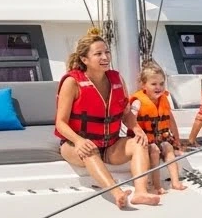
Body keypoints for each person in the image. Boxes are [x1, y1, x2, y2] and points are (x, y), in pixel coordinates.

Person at [54, 29, 160, 208]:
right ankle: (117, 193)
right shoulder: (72, 82)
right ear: (84, 59)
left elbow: (125, 113)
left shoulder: (116, 78)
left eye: (107, 52)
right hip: (75, 145)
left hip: (110, 145)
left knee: (139, 143)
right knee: (90, 149)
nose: (105, 57)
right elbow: (60, 123)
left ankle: (140, 192)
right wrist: (79, 141)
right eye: (98, 54)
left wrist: (137, 129)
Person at [129, 60, 186, 193]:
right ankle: (156, 185)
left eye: (161, 84)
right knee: (154, 150)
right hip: (145, 140)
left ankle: (175, 182)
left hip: (161, 137)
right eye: (153, 84)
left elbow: (171, 122)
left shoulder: (164, 100)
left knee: (168, 147)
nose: (158, 87)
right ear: (143, 85)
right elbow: (131, 119)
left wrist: (177, 141)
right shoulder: (138, 101)